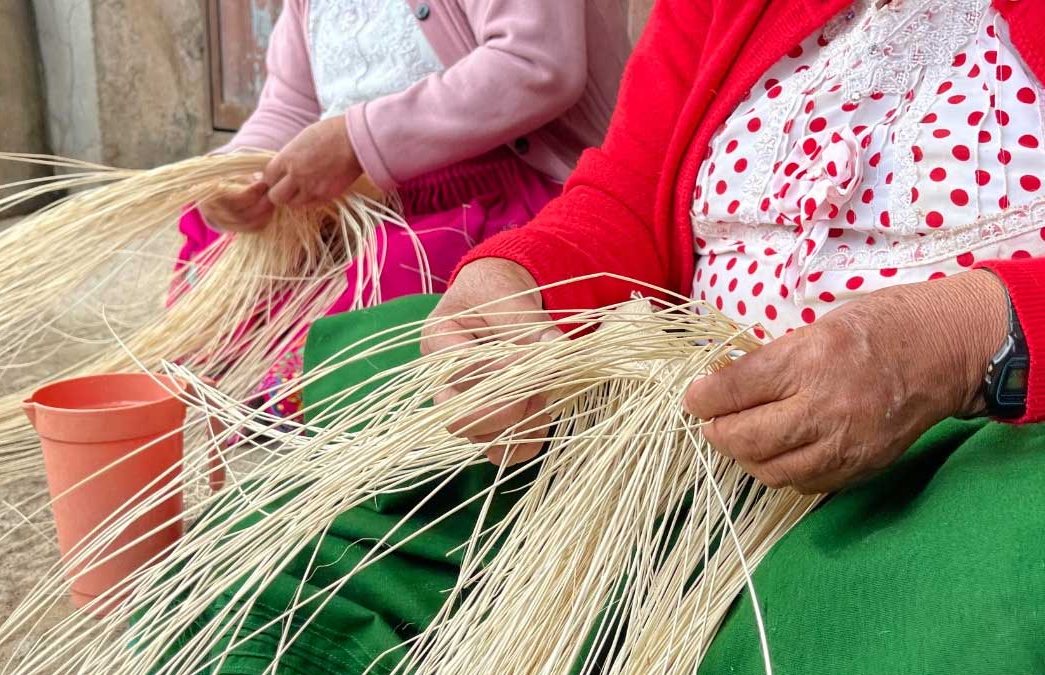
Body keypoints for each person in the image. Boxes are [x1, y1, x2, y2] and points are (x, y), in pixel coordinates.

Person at [417, 0, 1045, 670]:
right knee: (385, 521)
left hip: (974, 445)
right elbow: (629, 189)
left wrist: (960, 338)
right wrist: (523, 278)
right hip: (692, 433)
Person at [174, 0, 630, 418]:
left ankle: (357, 406)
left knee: (394, 290)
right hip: (354, 200)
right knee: (216, 245)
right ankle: (268, 384)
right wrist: (244, 173)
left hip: (481, 190)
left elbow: (536, 64)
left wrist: (355, 141)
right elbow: (290, 106)